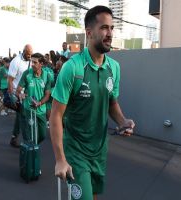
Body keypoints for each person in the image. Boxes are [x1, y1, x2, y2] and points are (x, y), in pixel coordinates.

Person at [50, 6, 135, 200]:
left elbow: (111, 101)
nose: (110, 33)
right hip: (75, 150)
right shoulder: (72, 68)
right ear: (89, 32)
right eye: (104, 28)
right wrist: (60, 159)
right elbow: (55, 114)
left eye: (112, 28)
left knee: (93, 196)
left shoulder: (114, 68)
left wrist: (122, 121)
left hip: (99, 149)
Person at [16, 53, 51, 143]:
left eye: (35, 62)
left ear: (41, 64)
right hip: (29, 110)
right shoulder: (27, 73)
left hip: (41, 110)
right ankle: (31, 151)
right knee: (32, 135)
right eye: (32, 62)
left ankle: (32, 147)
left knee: (42, 135)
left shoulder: (47, 76)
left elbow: (47, 95)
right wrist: (21, 94)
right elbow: (18, 90)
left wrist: (39, 103)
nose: (32, 64)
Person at [8, 44, 33, 148]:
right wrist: (11, 96)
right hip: (17, 93)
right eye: (28, 54)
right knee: (23, 116)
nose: (30, 56)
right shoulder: (16, 61)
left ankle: (14, 137)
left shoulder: (31, 61)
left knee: (20, 117)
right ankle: (27, 140)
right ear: (23, 51)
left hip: (26, 93)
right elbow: (10, 79)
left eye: (31, 54)